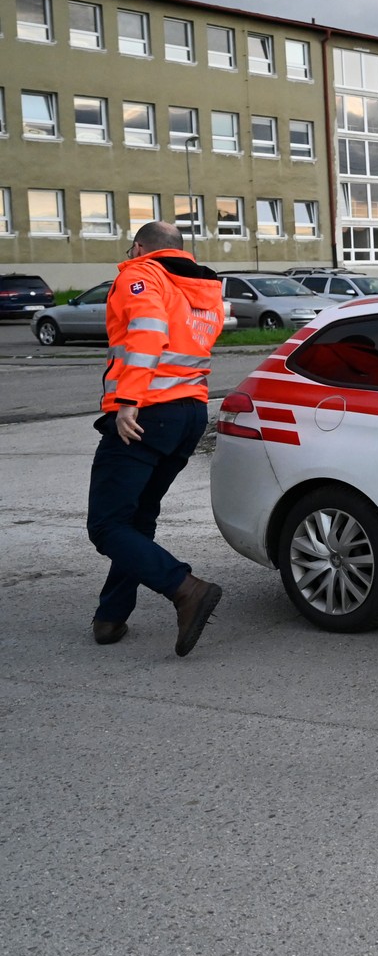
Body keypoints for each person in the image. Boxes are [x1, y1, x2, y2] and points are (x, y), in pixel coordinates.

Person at [86, 221, 228, 654]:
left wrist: (128, 399)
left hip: (145, 413)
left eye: (132, 246)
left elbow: (147, 332)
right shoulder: (203, 287)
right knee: (138, 519)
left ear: (140, 246)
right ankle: (110, 617)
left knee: (108, 525)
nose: (128, 252)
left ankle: (184, 587)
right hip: (189, 413)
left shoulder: (141, 274)